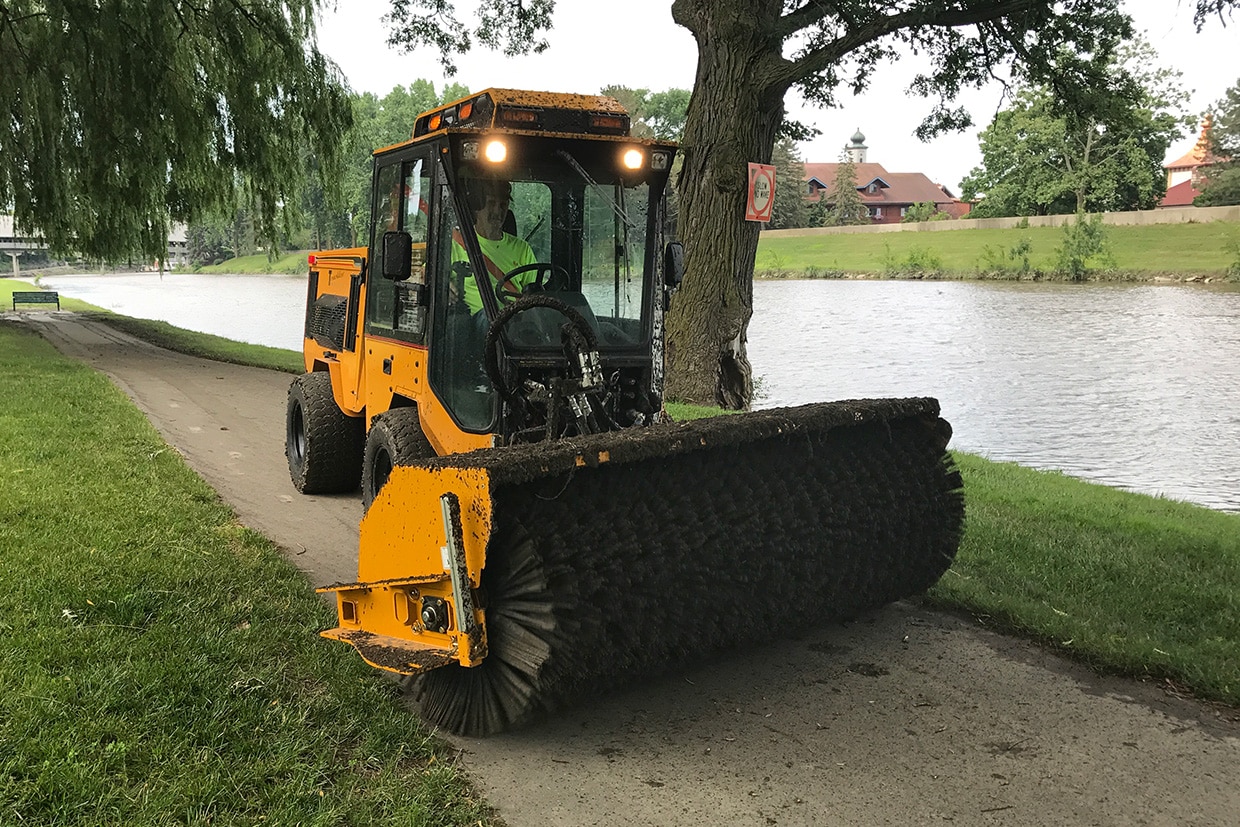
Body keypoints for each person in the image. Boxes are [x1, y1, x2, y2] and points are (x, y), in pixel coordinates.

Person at [453, 179, 537, 315]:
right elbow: (420, 278)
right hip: (472, 325)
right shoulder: (454, 245)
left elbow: (534, 294)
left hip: (513, 321)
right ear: (477, 209)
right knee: (487, 317)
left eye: (503, 205)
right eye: (491, 203)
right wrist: (444, 289)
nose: (498, 211)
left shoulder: (522, 249)